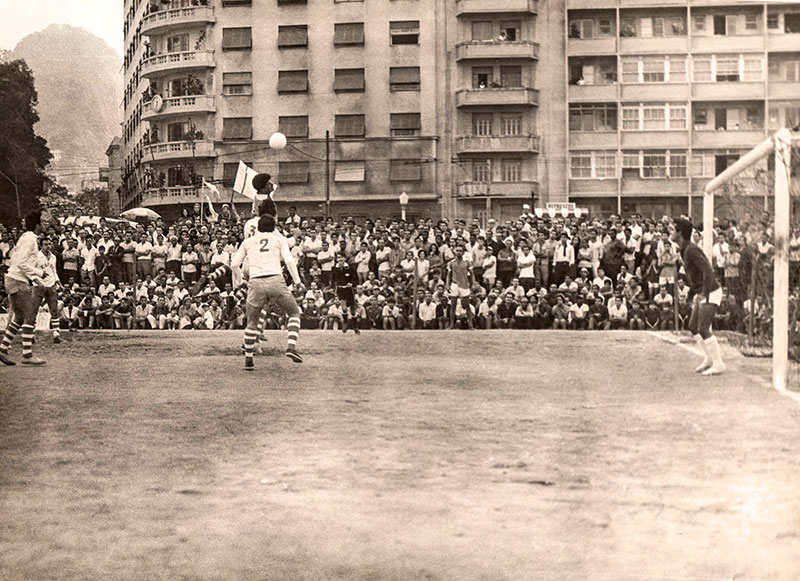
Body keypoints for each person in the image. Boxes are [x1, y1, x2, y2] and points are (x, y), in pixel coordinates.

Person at [231, 214, 303, 371]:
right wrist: (297, 282)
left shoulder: (248, 241)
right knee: (294, 312)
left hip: (256, 281)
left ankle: (249, 359)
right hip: (276, 279)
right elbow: (289, 261)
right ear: (273, 227)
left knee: (252, 321)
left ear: (258, 227)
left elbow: (234, 264)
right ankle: (291, 347)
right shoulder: (279, 240)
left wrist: (240, 281)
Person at [671, 218, 725, 375]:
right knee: (693, 326)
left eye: (673, 230)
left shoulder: (692, 250)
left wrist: (704, 294)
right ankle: (708, 359)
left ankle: (718, 363)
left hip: (711, 291)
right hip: (702, 291)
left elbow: (708, 271)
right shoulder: (684, 249)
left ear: (680, 233)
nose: (671, 233)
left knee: (703, 327)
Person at [0, 210, 47, 365]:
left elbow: (18, 261)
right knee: (28, 317)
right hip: (17, 280)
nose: (46, 225)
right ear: (37, 225)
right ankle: (27, 355)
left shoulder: (26, 238)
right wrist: (39, 272)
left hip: (14, 279)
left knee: (20, 317)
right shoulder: (30, 240)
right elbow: (21, 263)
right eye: (43, 222)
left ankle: (3, 348)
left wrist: (36, 279)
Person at [33, 238, 63, 343]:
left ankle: (56, 334)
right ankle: (31, 334)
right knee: (34, 310)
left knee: (54, 310)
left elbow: (54, 271)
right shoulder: (36, 256)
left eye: (49, 244)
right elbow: (30, 272)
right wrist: (37, 282)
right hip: (38, 285)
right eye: (45, 244)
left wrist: (59, 283)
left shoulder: (53, 257)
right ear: (41, 246)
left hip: (51, 285)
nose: (48, 246)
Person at [446, 245, 475, 330]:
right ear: (454, 251)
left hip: (464, 285)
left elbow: (472, 274)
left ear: (463, 252)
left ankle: (470, 325)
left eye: (460, 251)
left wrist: (473, 284)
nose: (458, 252)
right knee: (453, 305)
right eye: (457, 250)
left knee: (466, 305)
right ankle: (451, 325)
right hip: (454, 285)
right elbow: (448, 275)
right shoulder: (451, 263)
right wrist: (447, 285)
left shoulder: (467, 262)